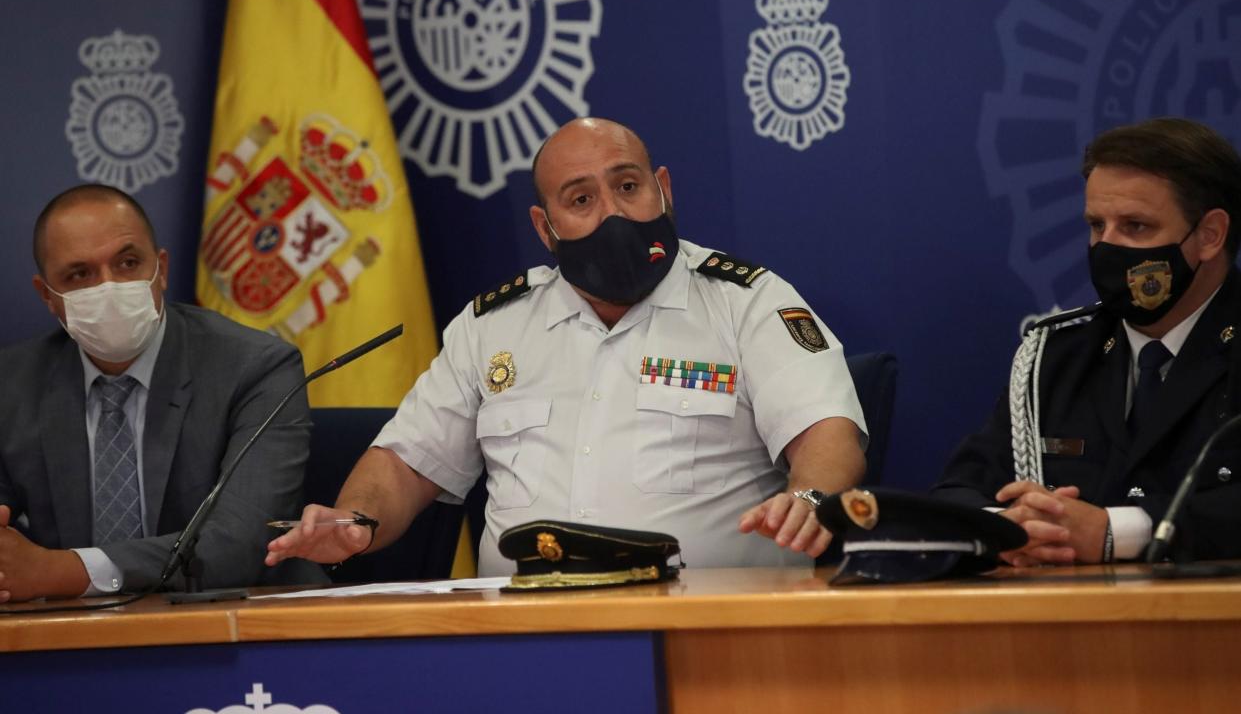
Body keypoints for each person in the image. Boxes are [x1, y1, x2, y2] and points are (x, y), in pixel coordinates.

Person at [266, 117, 867, 576]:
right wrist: (356, 520)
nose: (613, 214)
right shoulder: (493, 326)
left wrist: (809, 497)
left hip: (704, 627)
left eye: (628, 186)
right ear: (544, 226)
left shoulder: (747, 301)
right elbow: (404, 463)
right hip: (521, 635)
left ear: (663, 190)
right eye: (581, 200)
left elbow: (827, 431)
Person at [935, 117, 1241, 566]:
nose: (1106, 247)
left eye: (1136, 226)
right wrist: (1010, 525)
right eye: (1097, 225)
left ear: (1210, 235)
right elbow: (958, 491)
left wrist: (1116, 533)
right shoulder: (1056, 357)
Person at [0, 184, 324, 603]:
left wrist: (65, 571)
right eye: (80, 274)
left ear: (162, 269)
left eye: (128, 263)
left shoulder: (256, 368)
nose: (109, 287)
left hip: (240, 634)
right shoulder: (11, 386)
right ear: (48, 296)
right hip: (73, 641)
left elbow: (241, 543)